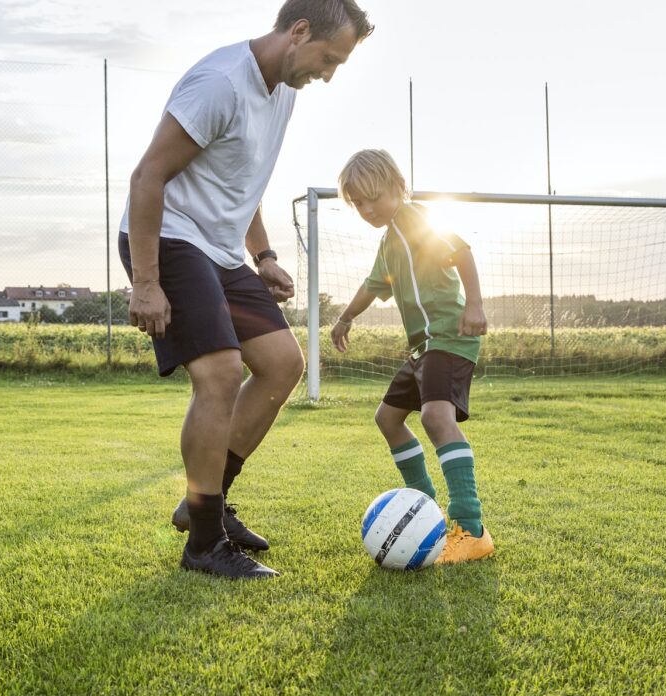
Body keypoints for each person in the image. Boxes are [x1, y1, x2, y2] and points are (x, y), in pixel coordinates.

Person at [120, 1, 374, 579]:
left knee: (284, 363)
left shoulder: (283, 89)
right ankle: (205, 546)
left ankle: (203, 502)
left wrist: (263, 255)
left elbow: (243, 179)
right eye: (327, 60)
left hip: (221, 250)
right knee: (221, 374)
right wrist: (146, 280)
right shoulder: (219, 83)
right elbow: (147, 177)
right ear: (299, 31)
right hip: (168, 238)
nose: (327, 75)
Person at [331, 149, 494, 564]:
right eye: (359, 202)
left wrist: (474, 305)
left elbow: (462, 253)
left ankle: (470, 529)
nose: (368, 209)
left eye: (375, 197)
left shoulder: (416, 218)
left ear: (398, 187)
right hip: (422, 346)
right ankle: (425, 508)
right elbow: (372, 285)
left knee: (436, 417)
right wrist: (346, 317)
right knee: (387, 418)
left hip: (449, 336)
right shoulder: (389, 241)